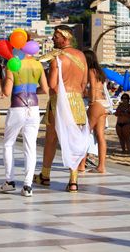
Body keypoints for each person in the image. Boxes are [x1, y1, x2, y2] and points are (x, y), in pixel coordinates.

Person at [34, 25, 89, 192]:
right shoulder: (81, 56)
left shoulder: (56, 58)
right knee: (75, 140)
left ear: (65, 38)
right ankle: (73, 180)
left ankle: (45, 175)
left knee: (51, 140)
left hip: (59, 102)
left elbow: (52, 85)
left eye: (56, 36)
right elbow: (83, 83)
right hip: (77, 101)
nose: (52, 39)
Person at [0, 49, 48, 197]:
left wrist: (1, 80)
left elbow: (7, 91)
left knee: (8, 144)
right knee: (30, 147)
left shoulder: (13, 64)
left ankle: (9, 181)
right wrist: (32, 92)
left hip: (17, 107)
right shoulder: (38, 65)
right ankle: (28, 186)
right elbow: (45, 89)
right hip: (33, 108)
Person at [79, 49, 110, 173]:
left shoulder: (91, 71)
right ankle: (101, 166)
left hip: (96, 103)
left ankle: (81, 165)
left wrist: (91, 101)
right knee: (100, 135)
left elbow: (92, 87)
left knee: (84, 133)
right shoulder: (100, 72)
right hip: (104, 104)